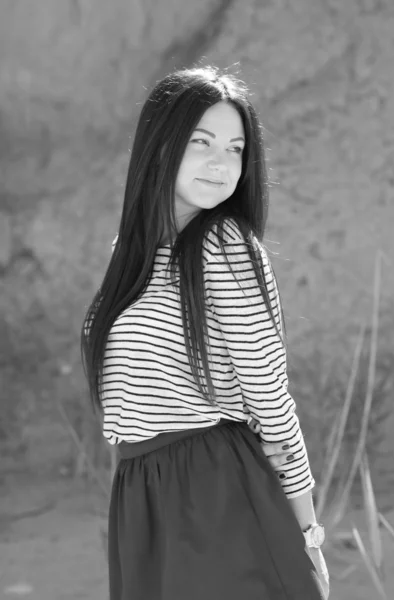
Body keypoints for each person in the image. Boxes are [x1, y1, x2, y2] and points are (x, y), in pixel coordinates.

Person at [81, 65, 329, 600]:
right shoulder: (135, 254)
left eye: (236, 149)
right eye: (201, 142)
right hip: (143, 495)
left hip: (212, 491)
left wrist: (308, 532)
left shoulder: (223, 243)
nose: (222, 164)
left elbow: (268, 390)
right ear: (161, 143)